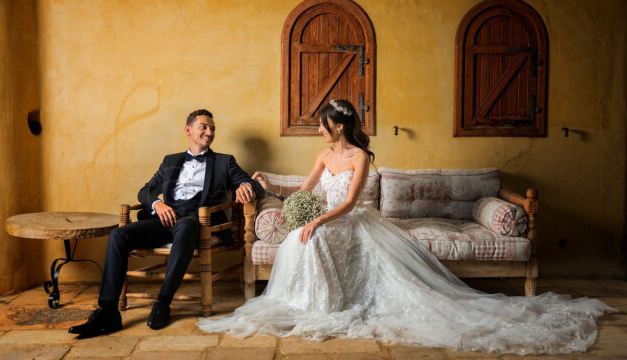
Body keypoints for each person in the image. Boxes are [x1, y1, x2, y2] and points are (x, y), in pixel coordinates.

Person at [198, 100, 616, 355]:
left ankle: (325, 302)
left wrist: (319, 220)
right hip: (329, 219)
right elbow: (304, 190)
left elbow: (345, 203)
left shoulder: (360, 158)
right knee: (301, 234)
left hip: (349, 220)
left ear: (339, 126)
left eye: (323, 124)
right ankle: (311, 302)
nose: (319, 129)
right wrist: (271, 185)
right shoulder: (324, 155)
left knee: (317, 232)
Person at [69, 109, 264, 338]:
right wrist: (157, 205)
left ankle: (163, 302)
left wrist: (245, 187)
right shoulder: (170, 160)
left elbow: (254, 186)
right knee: (118, 236)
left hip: (195, 221)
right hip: (165, 218)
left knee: (187, 226)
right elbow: (145, 191)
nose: (209, 132)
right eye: (204, 127)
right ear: (188, 130)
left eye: (212, 128)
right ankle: (108, 312)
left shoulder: (224, 161)